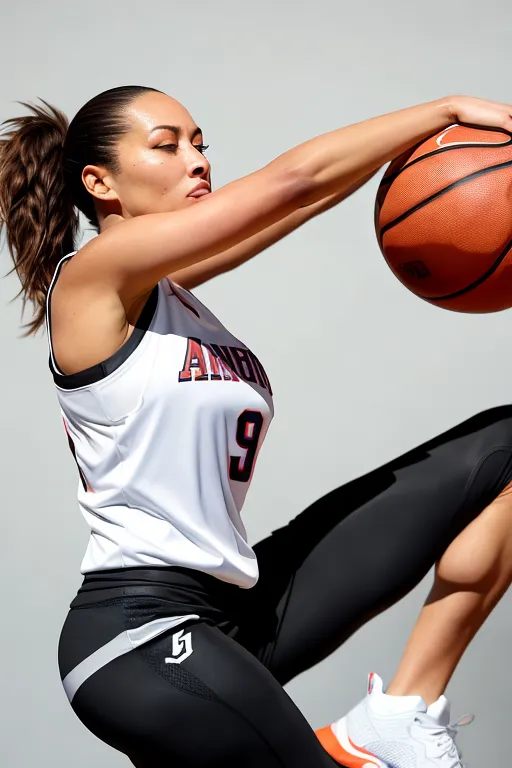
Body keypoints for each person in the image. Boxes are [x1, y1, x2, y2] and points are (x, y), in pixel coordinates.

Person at [1, 85, 512, 768]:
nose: (198, 160)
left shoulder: (166, 289)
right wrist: (445, 112)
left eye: (200, 143)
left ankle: (400, 712)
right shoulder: (93, 278)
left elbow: (301, 199)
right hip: (139, 633)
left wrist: (438, 158)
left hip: (236, 607)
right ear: (100, 183)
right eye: (167, 146)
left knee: (503, 448)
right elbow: (293, 181)